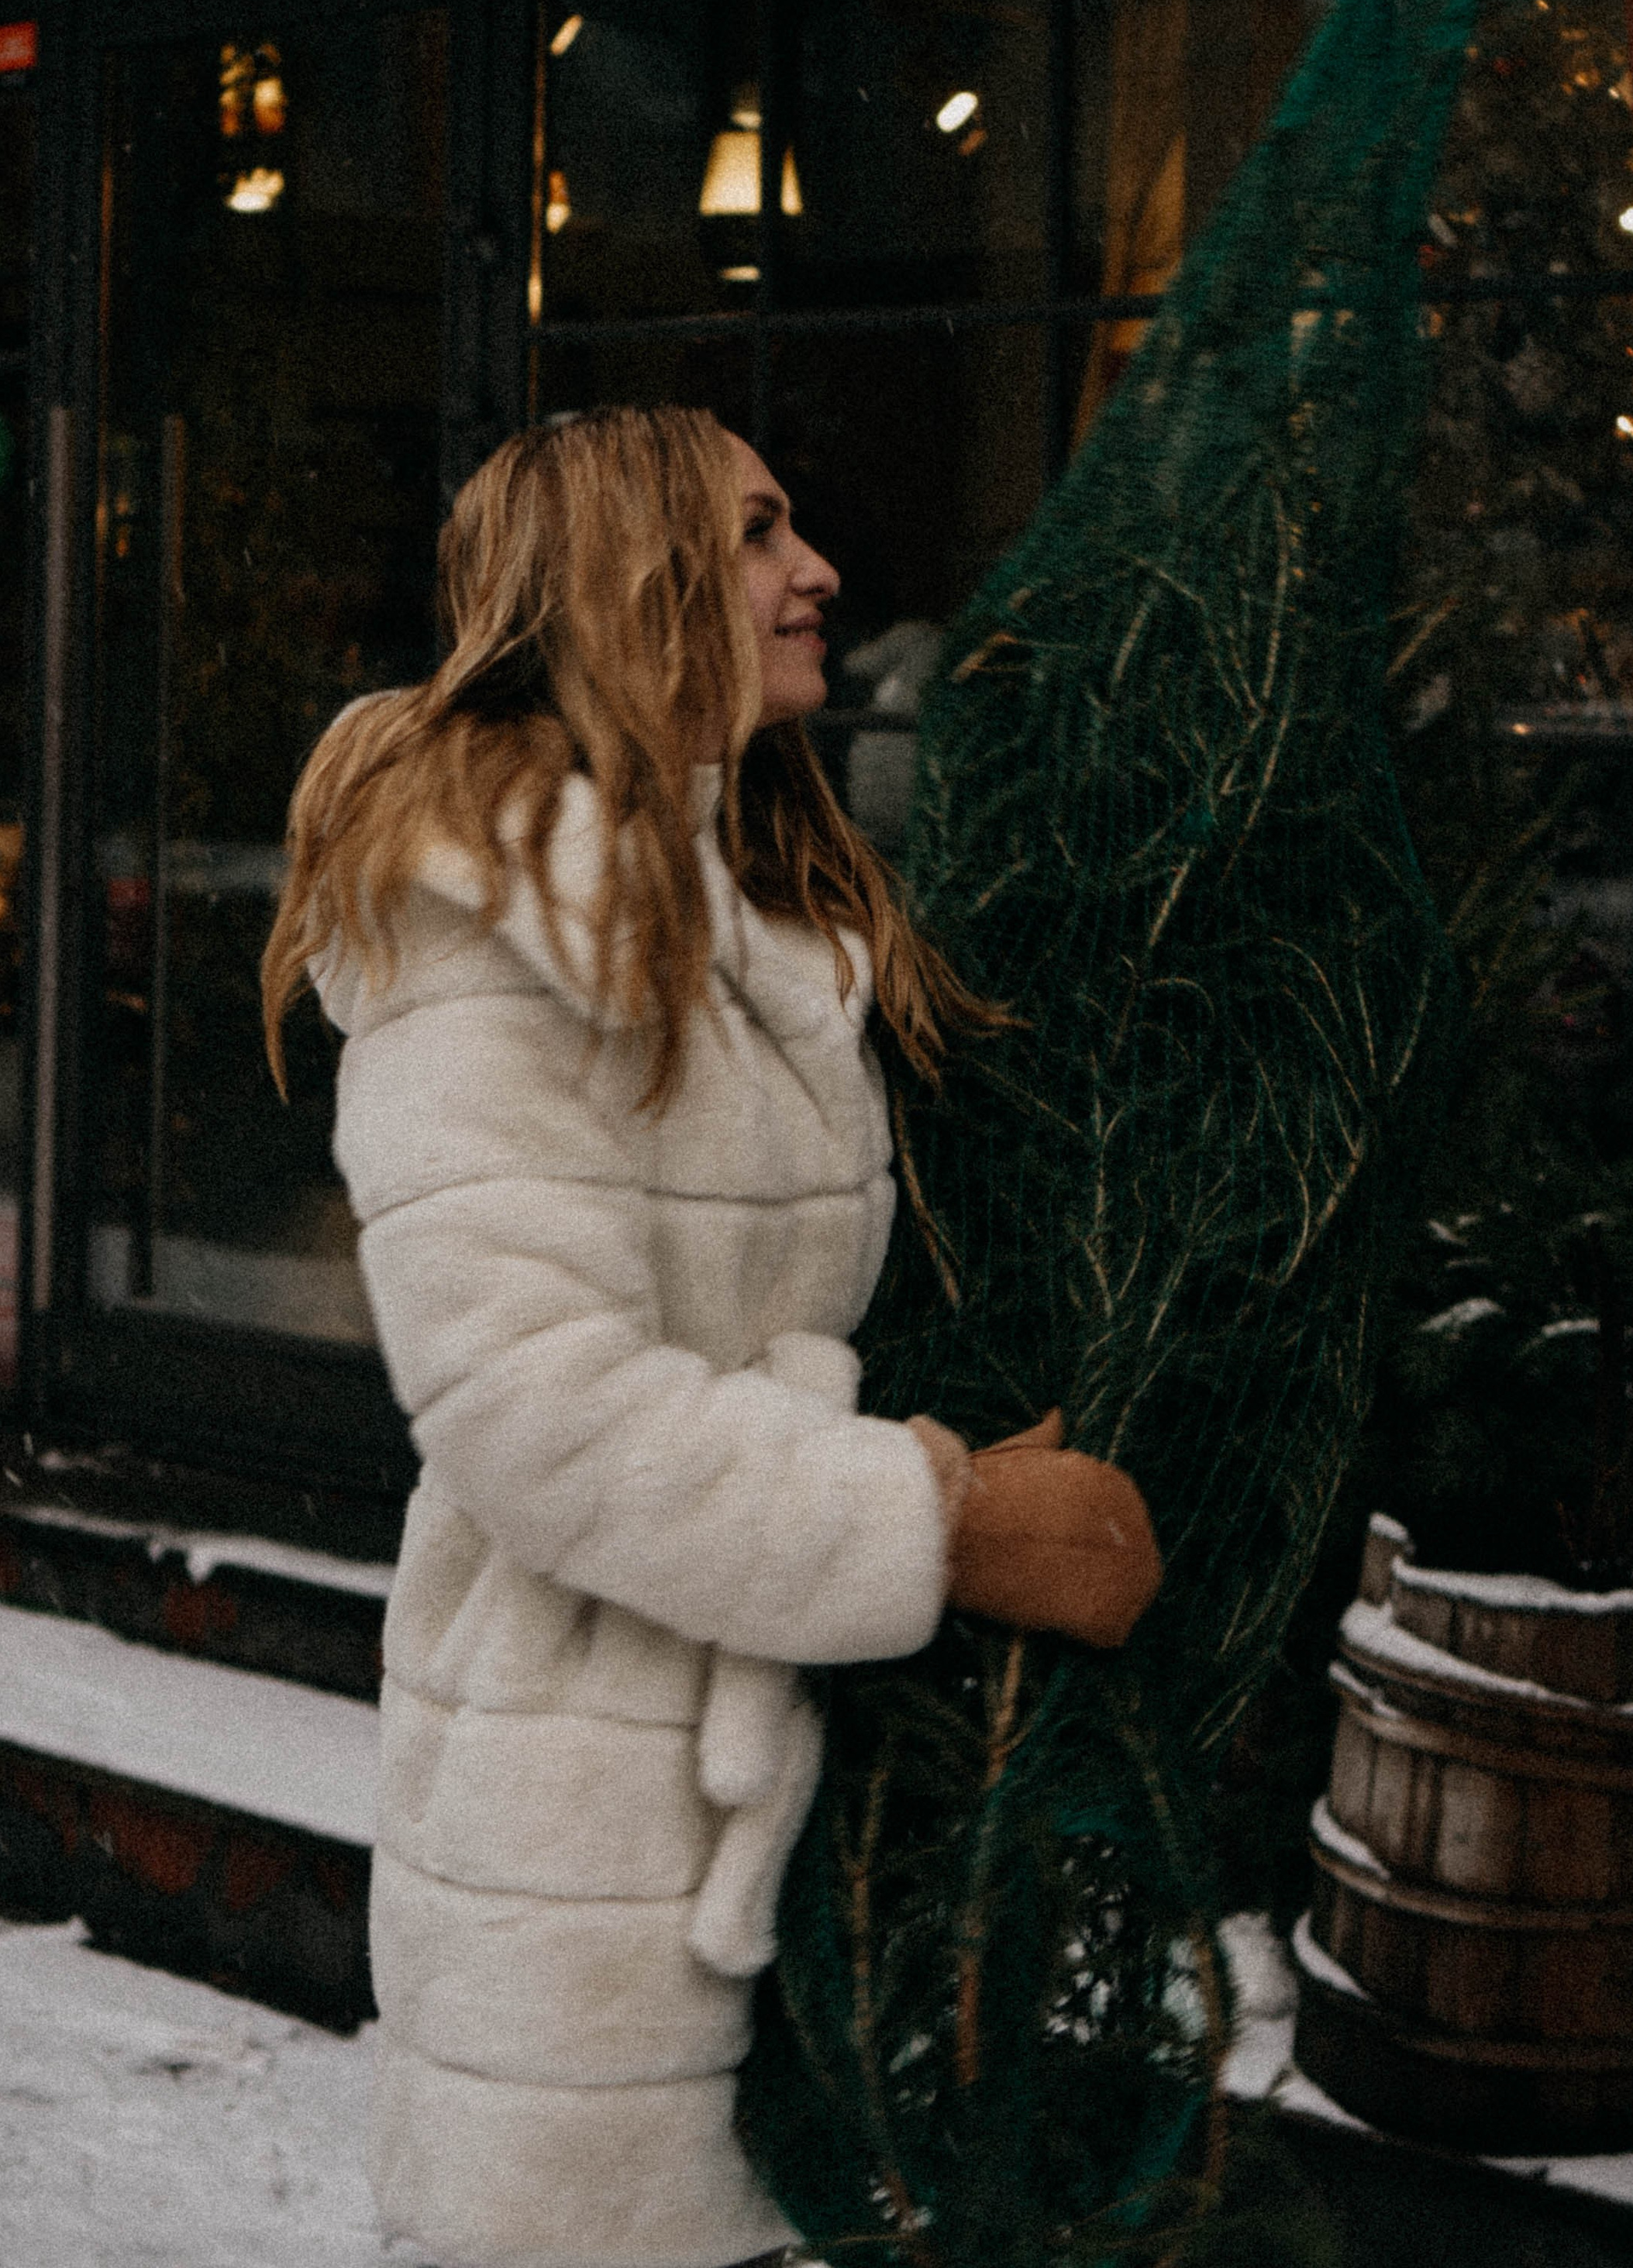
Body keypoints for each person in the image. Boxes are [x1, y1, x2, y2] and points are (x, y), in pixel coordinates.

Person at [260, 406, 1160, 2268]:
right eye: (755, 532)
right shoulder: (481, 931)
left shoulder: (743, 917)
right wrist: (950, 1525)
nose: (814, 572)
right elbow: (538, 1413)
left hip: (773, 1806)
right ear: (622, 580)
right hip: (579, 1841)